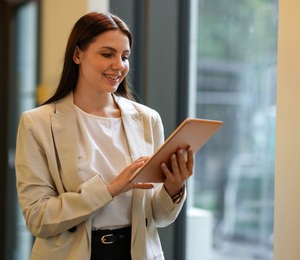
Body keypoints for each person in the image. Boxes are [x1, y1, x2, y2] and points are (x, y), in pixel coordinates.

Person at [15, 12, 193, 260]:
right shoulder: (37, 123)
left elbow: (158, 218)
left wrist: (173, 189)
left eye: (125, 56)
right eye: (107, 54)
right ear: (77, 55)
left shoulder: (147, 120)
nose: (119, 65)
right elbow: (38, 218)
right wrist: (109, 190)